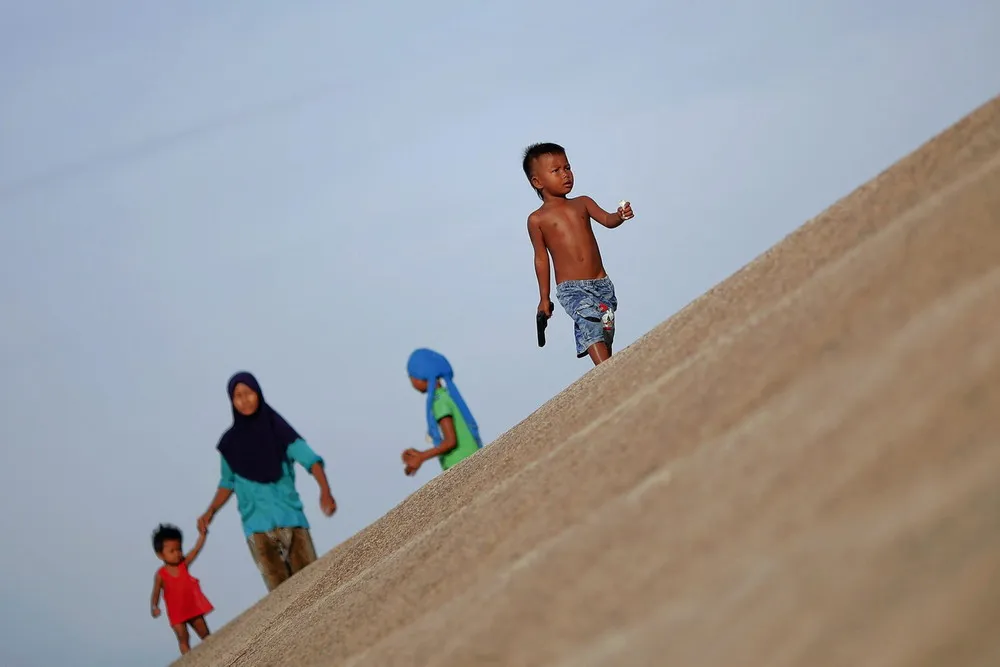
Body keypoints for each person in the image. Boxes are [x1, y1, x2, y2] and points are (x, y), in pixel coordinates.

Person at [197, 371, 337, 593]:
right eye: (238, 396)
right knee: (281, 600)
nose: (244, 400)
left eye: (249, 393)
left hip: (292, 521)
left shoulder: (278, 430)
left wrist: (325, 491)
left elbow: (310, 460)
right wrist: (210, 511)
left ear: (258, 394)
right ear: (231, 402)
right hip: (257, 531)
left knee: (315, 589)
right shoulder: (229, 445)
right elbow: (227, 482)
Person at [523, 142, 635, 366]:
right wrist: (544, 298)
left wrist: (620, 216)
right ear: (537, 182)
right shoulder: (537, 220)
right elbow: (541, 259)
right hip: (572, 288)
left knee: (605, 330)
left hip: (601, 283)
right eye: (556, 170)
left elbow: (607, 220)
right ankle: (607, 373)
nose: (566, 174)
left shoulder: (582, 203)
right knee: (589, 325)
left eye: (567, 167)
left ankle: (609, 376)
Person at [401, 348, 483, 476]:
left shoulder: (439, 402)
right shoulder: (446, 396)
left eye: (411, 376)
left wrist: (422, 457)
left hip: (461, 462)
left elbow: (450, 441)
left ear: (420, 377)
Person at [150, 523, 213, 656]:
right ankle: (188, 661)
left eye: (179, 549)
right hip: (176, 613)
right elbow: (156, 592)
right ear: (160, 554)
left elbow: (196, 550)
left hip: (192, 607)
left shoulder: (183, 564)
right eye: (172, 551)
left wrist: (202, 536)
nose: (177, 553)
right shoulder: (161, 574)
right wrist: (154, 606)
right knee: (183, 638)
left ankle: (213, 653)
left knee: (204, 632)